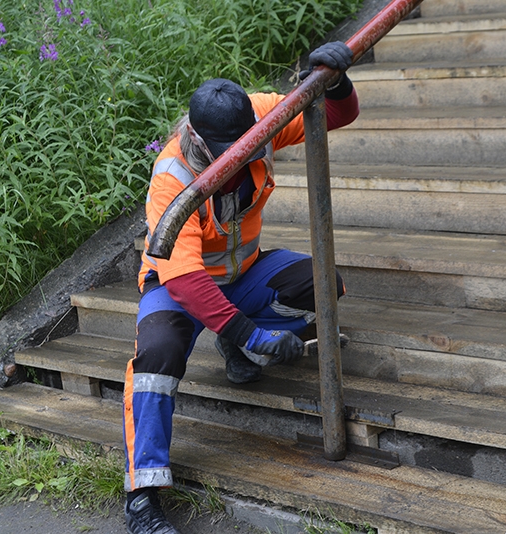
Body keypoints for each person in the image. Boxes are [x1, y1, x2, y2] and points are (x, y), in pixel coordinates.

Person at [123, 41, 359, 534]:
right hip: (176, 288)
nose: (244, 154)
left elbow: (336, 115)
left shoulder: (260, 117)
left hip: (244, 273)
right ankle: (143, 497)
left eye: (247, 143)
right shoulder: (172, 175)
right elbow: (186, 280)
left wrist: (335, 80)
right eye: (231, 150)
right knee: (157, 357)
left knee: (324, 287)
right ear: (200, 140)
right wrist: (256, 336)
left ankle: (232, 341)